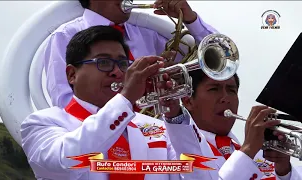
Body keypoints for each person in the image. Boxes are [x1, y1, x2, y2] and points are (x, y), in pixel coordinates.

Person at [21, 25, 192, 180]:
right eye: (103, 62)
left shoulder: (158, 128)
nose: (117, 72)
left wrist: (175, 117)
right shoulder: (41, 123)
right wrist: (125, 99)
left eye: (123, 64)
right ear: (72, 74)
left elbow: (198, 173)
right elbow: (66, 162)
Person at [44, 0, 219, 108]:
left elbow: (217, 56)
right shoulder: (64, 36)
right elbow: (64, 103)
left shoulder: (147, 34)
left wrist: (190, 18)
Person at [164, 70, 302, 180]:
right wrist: (248, 149)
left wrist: (284, 172)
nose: (225, 98)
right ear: (188, 101)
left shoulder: (257, 155)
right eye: (214, 89)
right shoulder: (172, 151)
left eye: (231, 90)